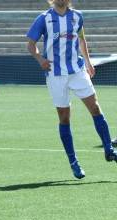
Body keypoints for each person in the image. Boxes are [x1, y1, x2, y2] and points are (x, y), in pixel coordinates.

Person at [27, 0, 117, 179]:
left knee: (95, 107)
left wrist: (89, 62)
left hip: (77, 70)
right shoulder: (44, 19)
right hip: (55, 74)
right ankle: (74, 162)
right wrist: (40, 60)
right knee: (64, 118)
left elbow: (82, 39)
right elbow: (31, 44)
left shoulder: (77, 17)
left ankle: (109, 149)